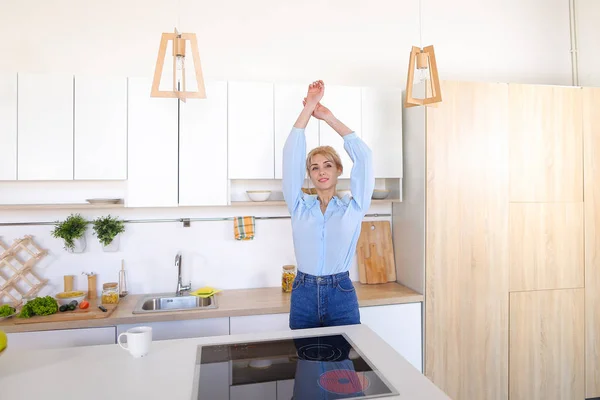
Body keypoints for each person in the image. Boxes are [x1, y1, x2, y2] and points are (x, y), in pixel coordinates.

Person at [283, 80, 375, 330]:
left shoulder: (353, 208)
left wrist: (328, 117)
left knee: (341, 365)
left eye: (327, 165)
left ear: (338, 170)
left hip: (340, 293)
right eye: (314, 167)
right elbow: (291, 154)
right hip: (303, 293)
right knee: (305, 364)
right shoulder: (299, 205)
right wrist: (309, 106)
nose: (321, 172)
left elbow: (364, 157)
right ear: (309, 175)